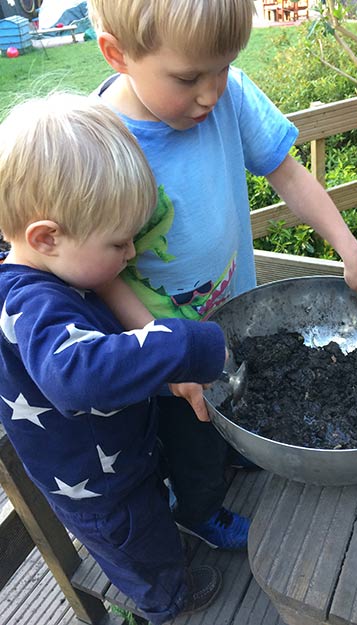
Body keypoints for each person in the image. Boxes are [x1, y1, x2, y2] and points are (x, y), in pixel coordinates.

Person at [86, 0, 357, 551]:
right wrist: (164, 354)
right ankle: (200, 512)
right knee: (192, 439)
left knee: (240, 390)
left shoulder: (230, 96)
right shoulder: (98, 142)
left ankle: (239, 449)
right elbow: (105, 275)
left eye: (222, 67)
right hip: (165, 341)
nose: (210, 93)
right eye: (188, 77)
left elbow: (288, 174)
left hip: (234, 313)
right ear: (117, 54)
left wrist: (347, 248)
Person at [0, 93, 230, 624]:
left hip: (120, 455)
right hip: (98, 490)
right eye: (119, 243)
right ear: (47, 237)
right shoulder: (30, 303)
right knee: (142, 551)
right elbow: (75, 375)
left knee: (150, 519)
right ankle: (166, 601)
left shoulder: (53, 270)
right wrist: (186, 344)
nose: (130, 256)